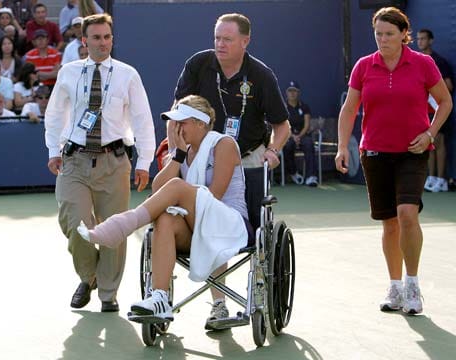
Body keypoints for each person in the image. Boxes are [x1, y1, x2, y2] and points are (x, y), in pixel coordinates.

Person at [78, 95, 252, 327]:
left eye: (182, 122)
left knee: (178, 188)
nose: (176, 128)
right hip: (197, 225)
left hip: (230, 223)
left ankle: (125, 224)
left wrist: (180, 190)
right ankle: (159, 298)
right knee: (165, 217)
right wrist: (178, 155)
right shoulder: (184, 151)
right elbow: (159, 190)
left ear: (201, 123)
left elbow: (214, 197)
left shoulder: (224, 145)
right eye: (174, 123)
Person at [335, 7, 452, 315]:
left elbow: (445, 101)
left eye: (389, 34)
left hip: (413, 152)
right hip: (374, 153)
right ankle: (395, 286)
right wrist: (342, 147)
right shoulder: (364, 66)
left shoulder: (423, 64)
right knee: (389, 224)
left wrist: (429, 134)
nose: (383, 40)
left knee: (407, 214)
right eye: (378, 34)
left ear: (404, 34)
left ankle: (413, 286)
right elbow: (349, 109)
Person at [44, 14, 156, 313]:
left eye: (107, 37)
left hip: (114, 161)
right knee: (74, 223)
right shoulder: (68, 72)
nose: (103, 43)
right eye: (96, 38)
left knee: (113, 231)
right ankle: (89, 276)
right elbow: (55, 114)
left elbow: (142, 119)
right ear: (85, 41)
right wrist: (53, 150)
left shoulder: (127, 74)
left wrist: (144, 161)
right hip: (74, 161)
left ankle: (108, 294)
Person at [174, 13, 290, 230]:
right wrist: (175, 152)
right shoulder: (198, 64)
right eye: (217, 38)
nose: (220, 44)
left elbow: (282, 126)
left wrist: (273, 150)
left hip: (248, 156)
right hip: (201, 154)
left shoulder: (262, 76)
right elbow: (177, 113)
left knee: (254, 220)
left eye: (227, 39)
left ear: (245, 41)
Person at [416, 28, 454, 193]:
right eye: (418, 39)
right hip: (423, 111)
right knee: (428, 144)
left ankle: (441, 179)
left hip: (438, 109)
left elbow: (449, 86)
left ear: (430, 40)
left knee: (438, 143)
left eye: (423, 39)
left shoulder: (440, 61)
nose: (420, 42)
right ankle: (431, 178)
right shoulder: (417, 61)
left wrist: (432, 88)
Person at [282, 80, 318, 186]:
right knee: (287, 146)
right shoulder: (283, 107)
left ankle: (311, 177)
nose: (292, 93)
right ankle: (293, 173)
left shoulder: (304, 107)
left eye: (295, 91)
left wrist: (298, 136)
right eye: (290, 91)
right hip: (288, 136)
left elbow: (307, 125)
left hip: (302, 135)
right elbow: (282, 125)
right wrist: (292, 136)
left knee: (309, 144)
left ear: (298, 93)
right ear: (286, 93)